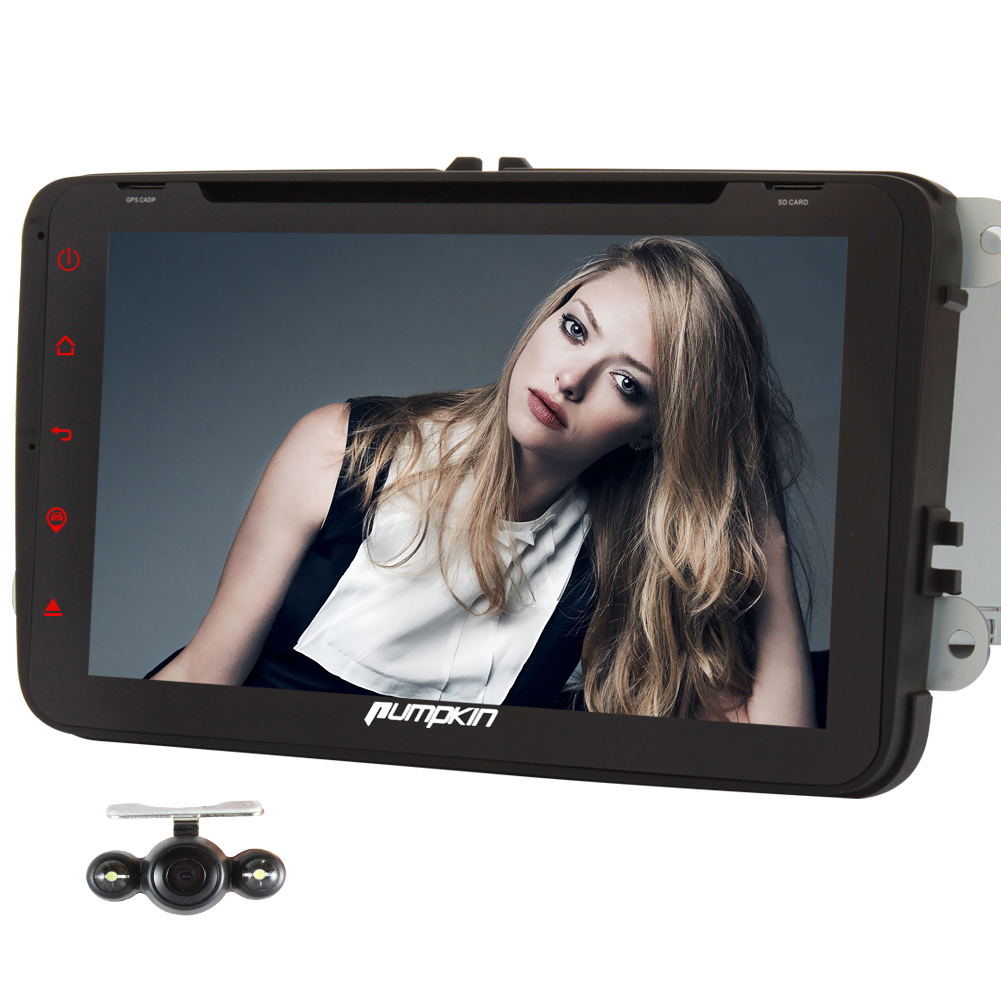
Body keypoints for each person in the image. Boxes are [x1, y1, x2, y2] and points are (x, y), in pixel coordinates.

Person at [151, 237, 815, 726]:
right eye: (575, 329)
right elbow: (206, 675)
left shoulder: (618, 562)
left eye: (626, 382)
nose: (568, 379)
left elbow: (771, 752)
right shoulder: (346, 452)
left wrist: (768, 541)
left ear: (654, 430)